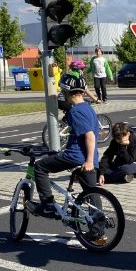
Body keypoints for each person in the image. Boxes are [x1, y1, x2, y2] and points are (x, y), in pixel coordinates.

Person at [31, 73, 101, 217]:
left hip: (76, 157)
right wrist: (91, 160)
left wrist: (88, 161)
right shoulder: (88, 108)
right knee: (92, 193)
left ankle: (47, 203)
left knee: (40, 167)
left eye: (62, 91)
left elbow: (90, 136)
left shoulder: (75, 111)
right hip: (91, 157)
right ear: (82, 92)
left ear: (66, 92)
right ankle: (98, 224)